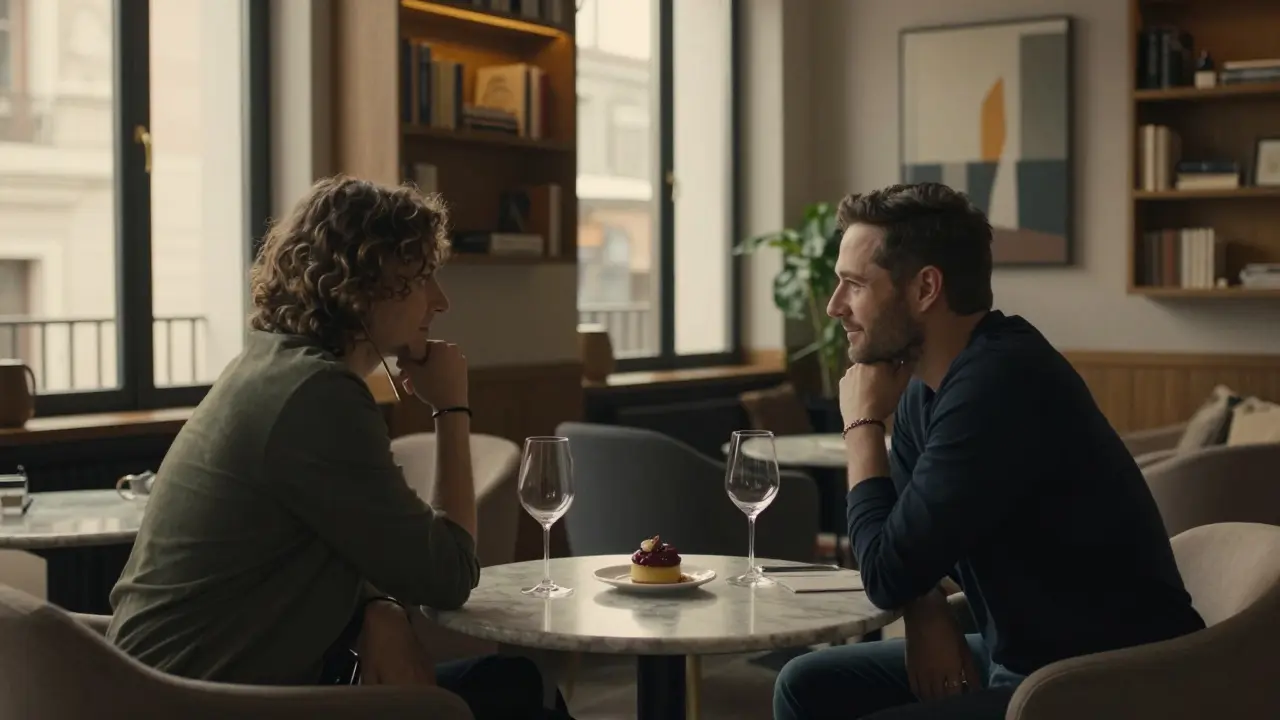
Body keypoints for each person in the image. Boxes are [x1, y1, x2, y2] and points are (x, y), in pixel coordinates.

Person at [107, 175, 572, 719]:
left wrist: (378, 606)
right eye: (422, 277)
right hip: (201, 702)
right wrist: (451, 409)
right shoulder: (318, 395)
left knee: (507, 684)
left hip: (152, 688)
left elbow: (333, 537)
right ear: (363, 283)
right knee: (516, 696)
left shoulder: (270, 367)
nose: (440, 301)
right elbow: (447, 575)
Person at [773, 183, 1205, 719]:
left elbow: (885, 574)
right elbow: (904, 549)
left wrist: (860, 424)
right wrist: (927, 614)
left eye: (854, 285)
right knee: (806, 683)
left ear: (926, 288)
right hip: (1021, 659)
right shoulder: (925, 391)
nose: (835, 305)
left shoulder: (1000, 382)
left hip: (1107, 680)